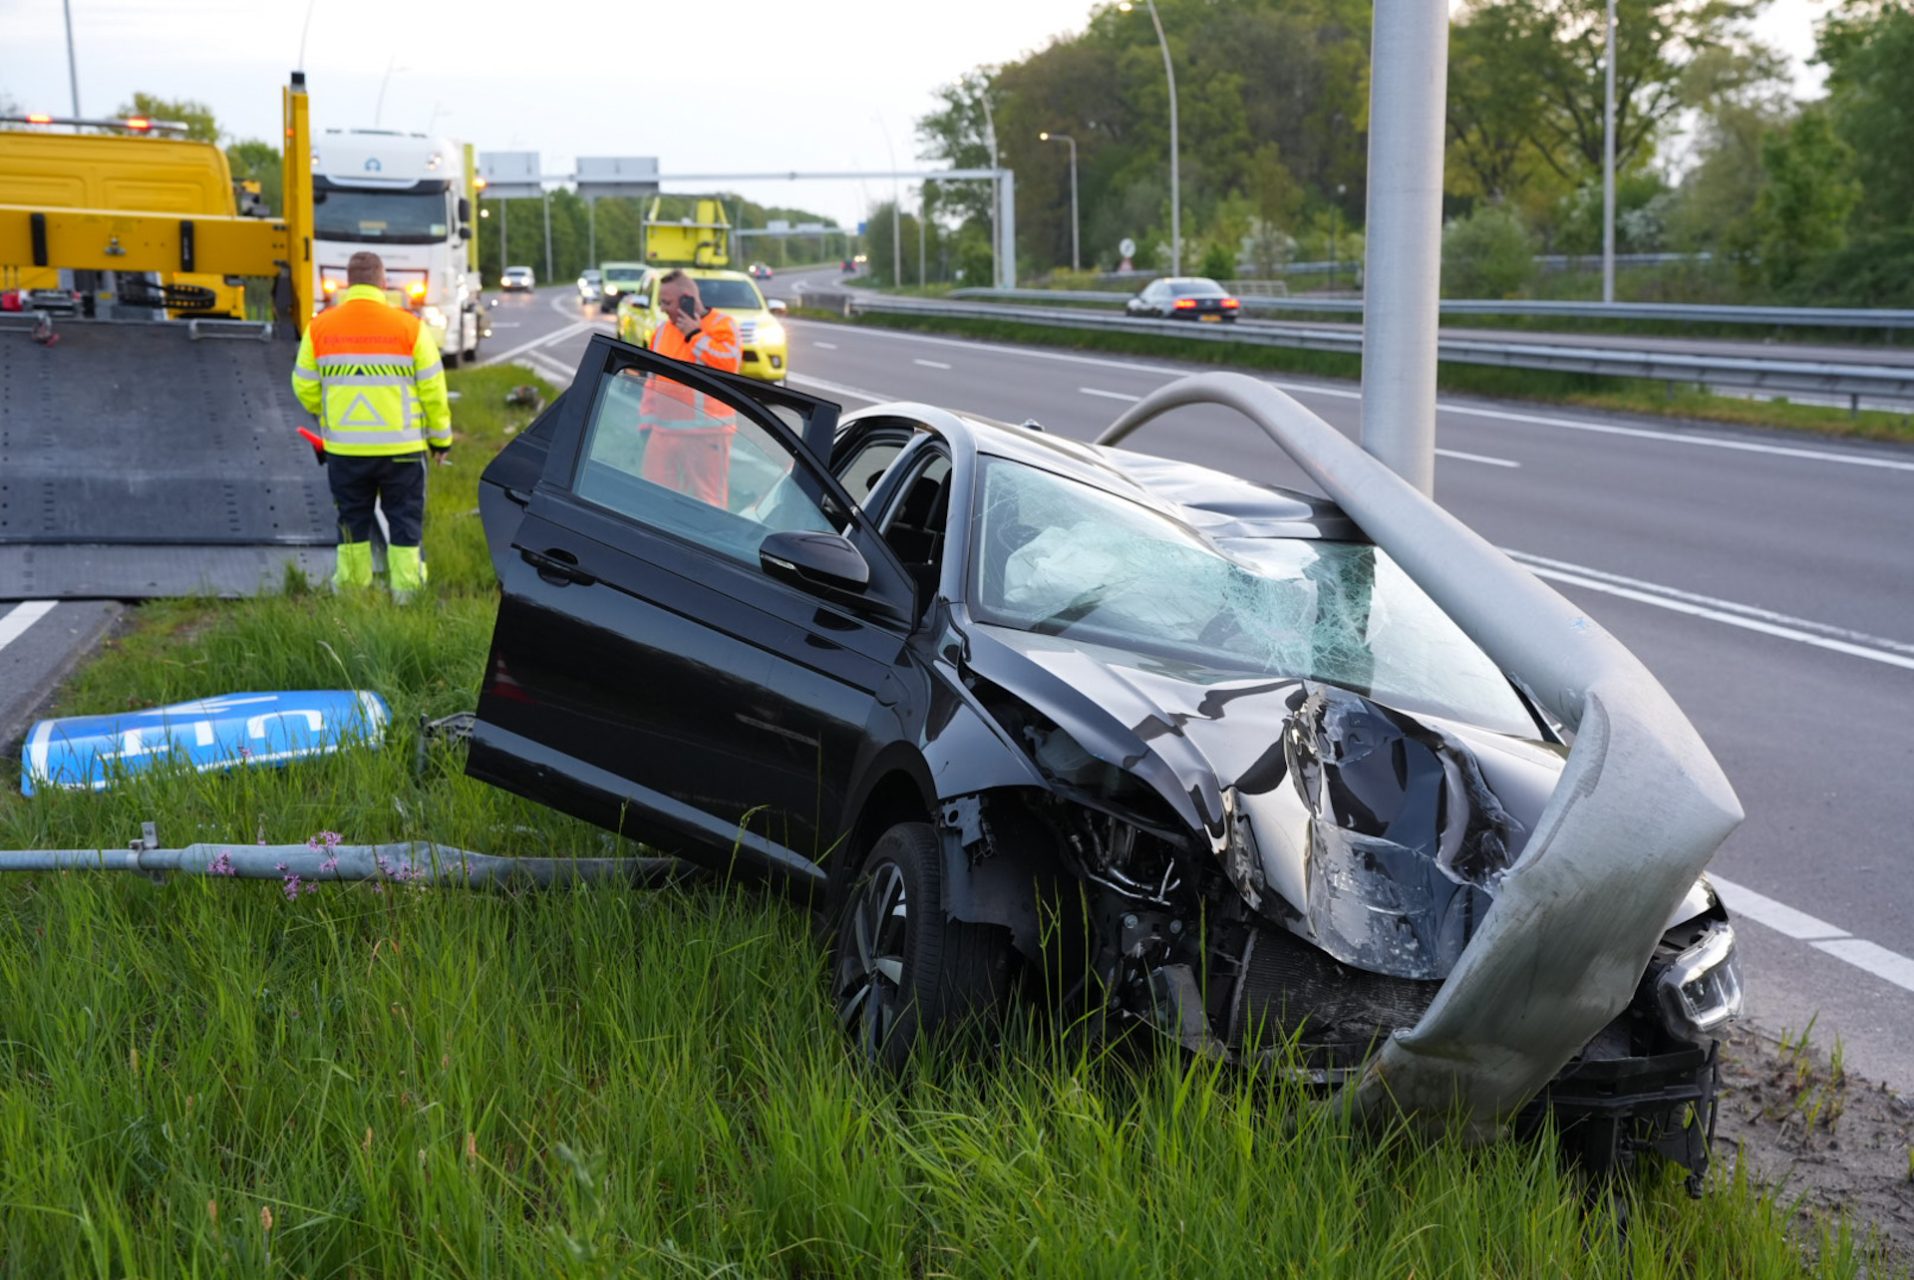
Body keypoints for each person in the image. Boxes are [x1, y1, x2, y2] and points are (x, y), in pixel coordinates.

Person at [291, 250, 452, 600]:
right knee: (404, 522)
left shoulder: (319, 326)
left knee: (351, 521)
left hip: (346, 450)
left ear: (349, 283)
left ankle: (351, 594)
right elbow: (433, 390)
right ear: (382, 282)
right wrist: (441, 440)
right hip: (402, 450)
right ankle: (407, 595)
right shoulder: (410, 326)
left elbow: (303, 385)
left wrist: (329, 412)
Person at [638, 269, 741, 507]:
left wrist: (694, 334)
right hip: (663, 432)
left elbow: (728, 364)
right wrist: (646, 423)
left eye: (667, 302)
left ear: (687, 298)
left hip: (706, 434)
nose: (662, 308)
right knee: (653, 499)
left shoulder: (722, 325)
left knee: (708, 503)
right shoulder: (662, 330)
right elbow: (652, 380)